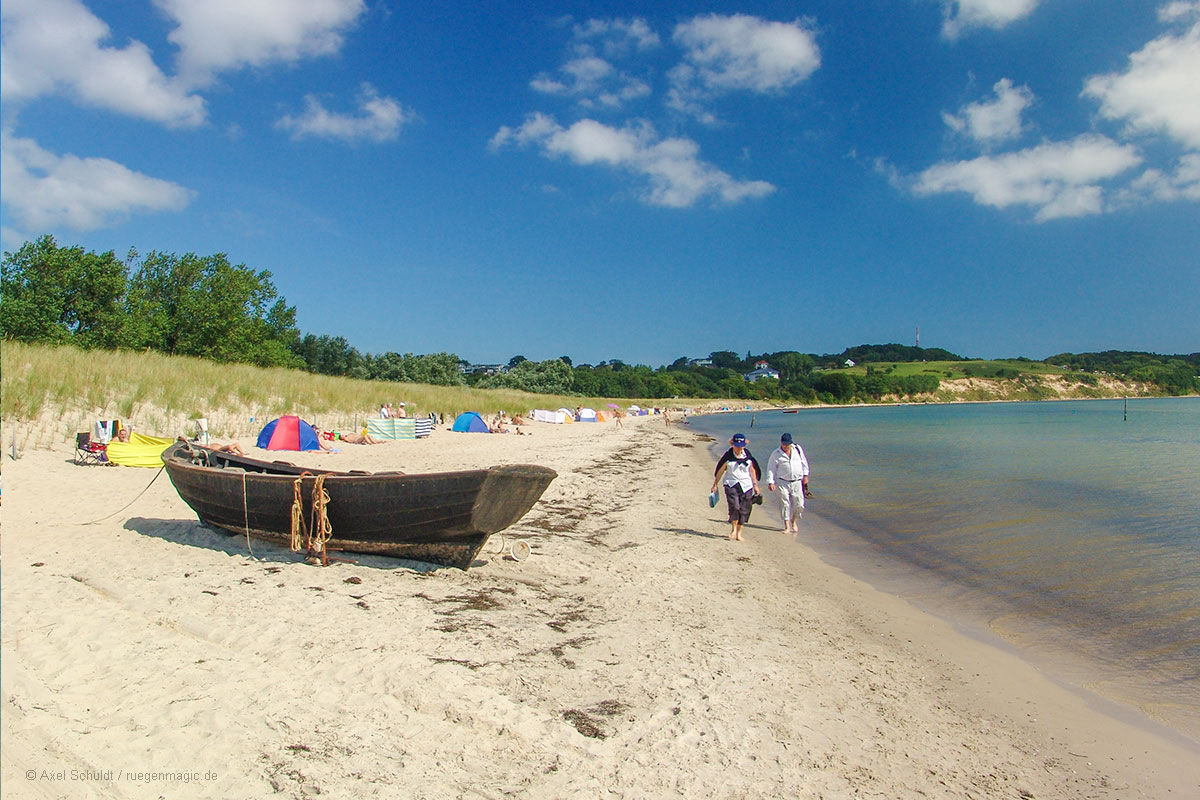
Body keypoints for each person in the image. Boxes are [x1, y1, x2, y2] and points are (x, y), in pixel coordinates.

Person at [710, 433, 761, 541]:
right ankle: (733, 530)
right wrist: (715, 484)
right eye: (737, 445)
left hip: (746, 485)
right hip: (731, 483)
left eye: (741, 445)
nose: (738, 448)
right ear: (733, 444)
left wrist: (755, 484)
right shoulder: (728, 456)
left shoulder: (747, 455)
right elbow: (720, 470)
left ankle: (739, 533)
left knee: (744, 509)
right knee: (735, 506)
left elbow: (752, 470)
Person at [766, 432, 810, 533]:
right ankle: (787, 526)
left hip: (797, 481)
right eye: (784, 444)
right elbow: (771, 468)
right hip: (782, 481)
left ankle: (793, 520)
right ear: (781, 442)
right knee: (784, 503)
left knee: (799, 504)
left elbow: (804, 462)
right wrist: (771, 482)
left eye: (788, 444)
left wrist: (805, 475)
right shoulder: (776, 454)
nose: (786, 447)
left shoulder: (797, 449)